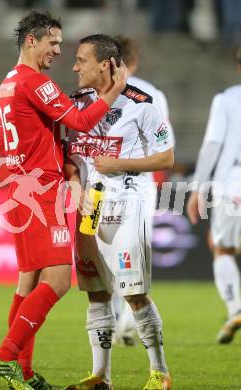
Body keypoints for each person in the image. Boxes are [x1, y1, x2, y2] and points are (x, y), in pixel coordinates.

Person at [0, 11, 126, 390]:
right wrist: (114, 91)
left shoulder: (7, 83)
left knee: (28, 282)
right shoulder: (35, 81)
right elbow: (79, 122)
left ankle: (24, 374)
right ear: (32, 40)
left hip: (18, 187)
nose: (59, 51)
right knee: (60, 280)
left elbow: (4, 142)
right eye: (53, 42)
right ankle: (4, 357)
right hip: (40, 190)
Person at [65, 34, 174, 390]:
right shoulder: (76, 103)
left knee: (132, 292)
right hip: (90, 207)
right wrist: (77, 183)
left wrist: (120, 163)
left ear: (106, 64)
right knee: (97, 293)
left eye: (82, 60)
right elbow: (70, 154)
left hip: (128, 204)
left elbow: (166, 157)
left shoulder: (142, 102)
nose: (75, 66)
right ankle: (101, 376)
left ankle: (159, 371)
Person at [112, 35, 175, 347]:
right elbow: (165, 140)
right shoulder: (153, 94)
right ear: (134, 60)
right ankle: (126, 320)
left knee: (110, 258)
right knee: (132, 255)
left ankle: (120, 320)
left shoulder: (94, 94)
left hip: (104, 188)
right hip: (139, 187)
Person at [187, 46, 241, 344]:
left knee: (221, 247)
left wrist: (197, 188)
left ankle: (235, 308)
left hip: (232, 184)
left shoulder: (227, 99)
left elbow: (212, 145)